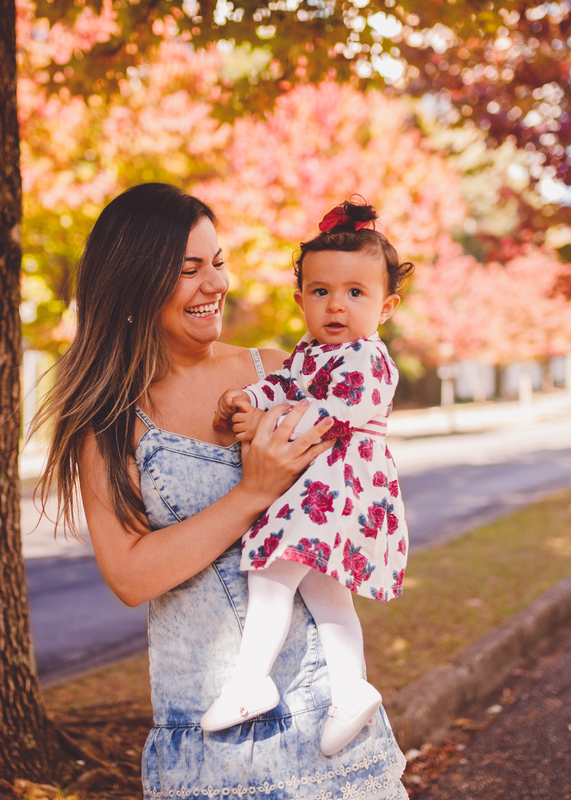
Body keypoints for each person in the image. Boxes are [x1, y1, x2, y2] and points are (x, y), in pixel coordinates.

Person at [35, 183, 409, 799]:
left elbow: (348, 491)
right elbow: (130, 576)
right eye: (188, 270)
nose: (216, 285)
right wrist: (250, 493)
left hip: (327, 727)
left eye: (217, 262)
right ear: (136, 283)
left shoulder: (276, 370)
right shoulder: (108, 420)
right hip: (210, 743)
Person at [201, 200, 411, 758]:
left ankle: (251, 681)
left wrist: (262, 423)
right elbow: (284, 386)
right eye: (320, 292)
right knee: (325, 592)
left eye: (355, 293)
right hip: (320, 487)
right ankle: (352, 688)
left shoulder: (369, 359)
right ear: (301, 300)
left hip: (338, 488)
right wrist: (247, 398)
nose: (336, 305)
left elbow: (323, 416)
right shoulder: (310, 353)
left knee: (272, 572)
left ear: (386, 306)